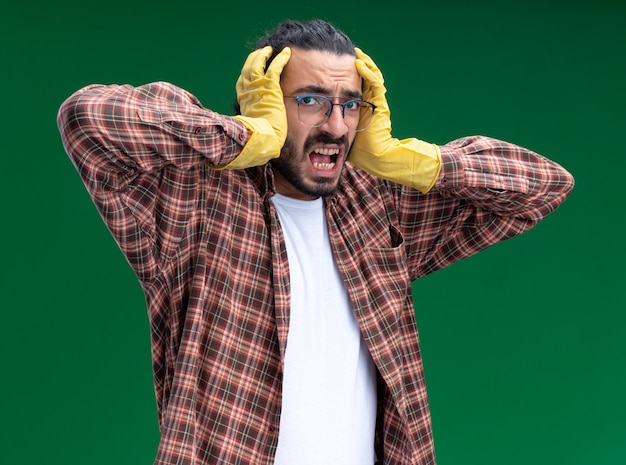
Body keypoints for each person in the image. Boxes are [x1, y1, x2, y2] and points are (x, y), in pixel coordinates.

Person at [57, 18, 574, 465]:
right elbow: (87, 118)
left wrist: (402, 158)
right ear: (265, 104)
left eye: (350, 106)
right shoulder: (194, 200)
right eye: (310, 101)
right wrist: (247, 135)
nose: (335, 126)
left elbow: (544, 186)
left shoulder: (375, 206)